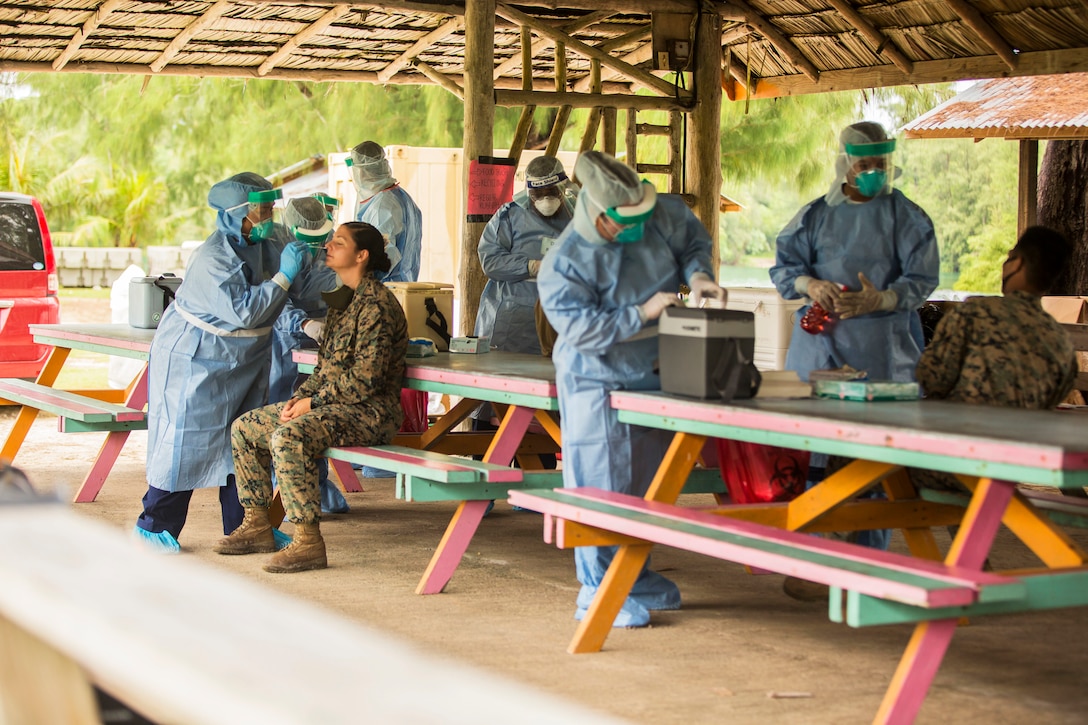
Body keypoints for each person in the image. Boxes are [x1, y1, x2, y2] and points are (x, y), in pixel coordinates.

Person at [537, 151, 727, 627]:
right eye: (625, 223)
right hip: (595, 378)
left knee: (648, 485)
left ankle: (634, 575)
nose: (638, 229)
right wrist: (641, 313)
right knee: (603, 485)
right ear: (599, 217)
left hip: (655, 372)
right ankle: (597, 588)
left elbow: (690, 243)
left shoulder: (658, 212)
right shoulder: (563, 263)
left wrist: (699, 275)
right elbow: (581, 331)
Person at [769, 121, 939, 598]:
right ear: (844, 163)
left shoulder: (906, 216)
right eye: (864, 164)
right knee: (813, 461)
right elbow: (785, 267)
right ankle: (810, 561)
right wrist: (809, 286)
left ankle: (868, 564)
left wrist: (881, 300)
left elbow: (922, 278)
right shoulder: (817, 216)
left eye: (880, 165)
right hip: (819, 349)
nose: (872, 173)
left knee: (874, 463)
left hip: (883, 353)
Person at [133, 172, 317, 553]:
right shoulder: (213, 257)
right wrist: (285, 276)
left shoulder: (275, 239)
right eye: (260, 209)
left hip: (247, 358)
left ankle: (248, 525)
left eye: (269, 207)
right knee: (185, 439)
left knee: (245, 439)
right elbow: (248, 311)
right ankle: (155, 524)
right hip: (198, 357)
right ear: (235, 214)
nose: (268, 215)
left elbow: (303, 284)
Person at [216, 222, 409, 572]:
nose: (329, 246)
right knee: (245, 427)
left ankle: (307, 542)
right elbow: (323, 370)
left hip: (370, 412)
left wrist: (313, 405)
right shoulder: (341, 300)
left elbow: (366, 379)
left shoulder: (376, 305)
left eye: (340, 242)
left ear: (361, 256)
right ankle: (258, 523)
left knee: (289, 437)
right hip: (335, 407)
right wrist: (299, 399)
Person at [913, 226, 1077, 492]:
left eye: (1009, 257)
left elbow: (931, 379)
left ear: (1018, 262)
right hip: (1012, 471)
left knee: (850, 461)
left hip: (950, 463)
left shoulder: (975, 314)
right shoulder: (1061, 342)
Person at [269, 196, 349, 514]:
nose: (317, 246)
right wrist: (301, 322)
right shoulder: (275, 249)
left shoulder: (325, 244)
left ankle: (316, 484)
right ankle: (285, 488)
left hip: (318, 341)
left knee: (315, 414)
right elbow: (271, 298)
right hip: (280, 342)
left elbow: (334, 283)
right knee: (283, 413)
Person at [474, 155, 577, 355]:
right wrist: (531, 266)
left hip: (559, 320)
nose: (546, 200)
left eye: (551, 192)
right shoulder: (510, 216)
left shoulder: (576, 216)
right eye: (538, 194)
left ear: (563, 187)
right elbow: (491, 261)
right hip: (511, 322)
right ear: (528, 192)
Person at [350, 141, 422, 283]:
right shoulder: (401, 197)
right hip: (403, 285)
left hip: (386, 289)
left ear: (361, 171)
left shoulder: (383, 207)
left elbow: (385, 254)